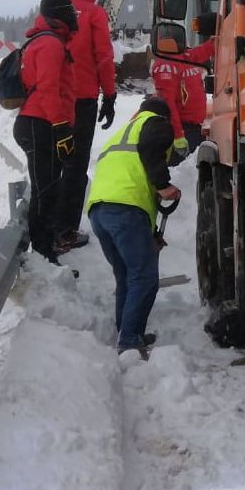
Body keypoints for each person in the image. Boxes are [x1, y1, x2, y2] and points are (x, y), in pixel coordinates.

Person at [85, 95, 180, 357]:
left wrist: (149, 234)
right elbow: (151, 149)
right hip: (126, 208)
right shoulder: (156, 123)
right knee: (144, 278)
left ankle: (128, 332)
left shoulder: (123, 132)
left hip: (98, 211)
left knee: (126, 275)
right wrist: (163, 185)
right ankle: (128, 340)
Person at [55, 0, 118, 254]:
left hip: (52, 101)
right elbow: (103, 56)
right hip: (82, 101)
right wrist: (110, 95)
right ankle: (66, 230)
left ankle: (48, 227)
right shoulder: (94, 14)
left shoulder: (51, 11)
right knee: (76, 164)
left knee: (52, 164)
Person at [13, 0, 78, 264]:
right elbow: (49, 89)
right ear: (59, 15)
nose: (74, 17)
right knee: (46, 189)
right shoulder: (50, 44)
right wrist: (61, 127)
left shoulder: (40, 41)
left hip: (37, 122)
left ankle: (45, 247)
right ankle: (44, 253)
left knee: (47, 186)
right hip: (42, 124)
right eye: (70, 12)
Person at [150, 35, 214, 165]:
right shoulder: (165, 66)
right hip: (182, 129)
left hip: (194, 127)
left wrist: (219, 38)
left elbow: (205, 50)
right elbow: (167, 105)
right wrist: (178, 135)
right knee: (182, 171)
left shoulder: (187, 58)